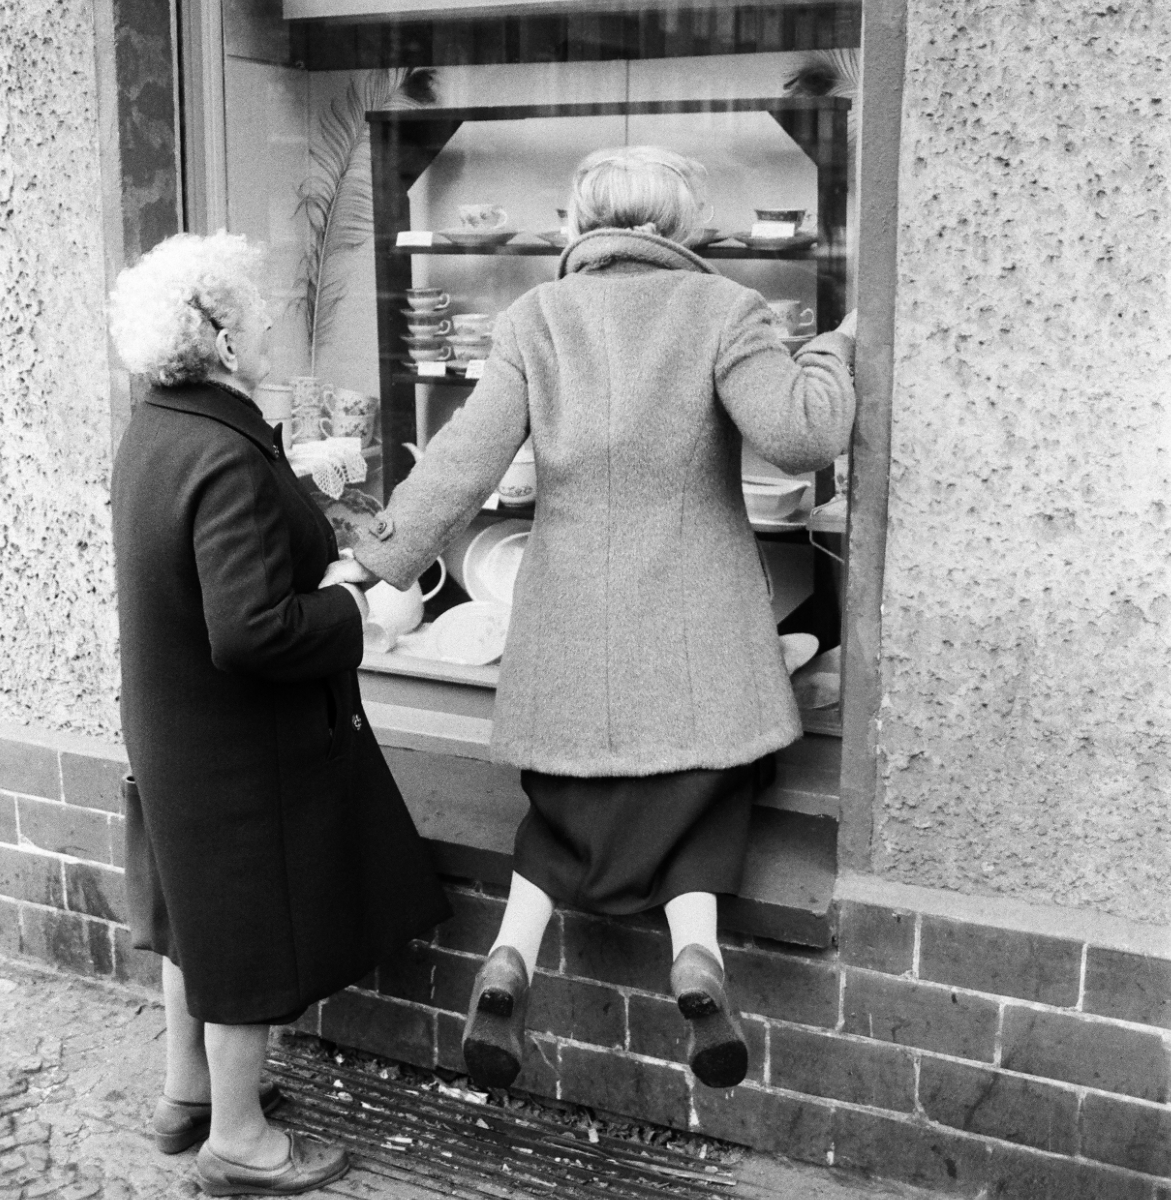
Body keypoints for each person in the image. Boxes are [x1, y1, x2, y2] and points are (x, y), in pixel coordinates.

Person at [351, 146, 856, 1092]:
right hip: (696, 622)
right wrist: (832, 348)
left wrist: (378, 558)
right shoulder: (724, 309)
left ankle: (510, 955)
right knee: (708, 786)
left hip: (568, 621)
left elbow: (463, 460)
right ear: (686, 225)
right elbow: (801, 436)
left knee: (564, 804)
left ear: (581, 225)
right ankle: (696, 955)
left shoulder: (535, 318)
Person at [108, 231, 450, 1196]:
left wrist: (303, 508)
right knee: (247, 930)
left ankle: (189, 1096)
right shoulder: (223, 454)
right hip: (237, 746)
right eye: (254, 316)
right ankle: (242, 1141)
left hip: (178, 729)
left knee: (193, 920)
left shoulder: (160, 429)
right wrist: (358, 609)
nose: (266, 328)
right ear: (217, 339)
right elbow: (251, 631)